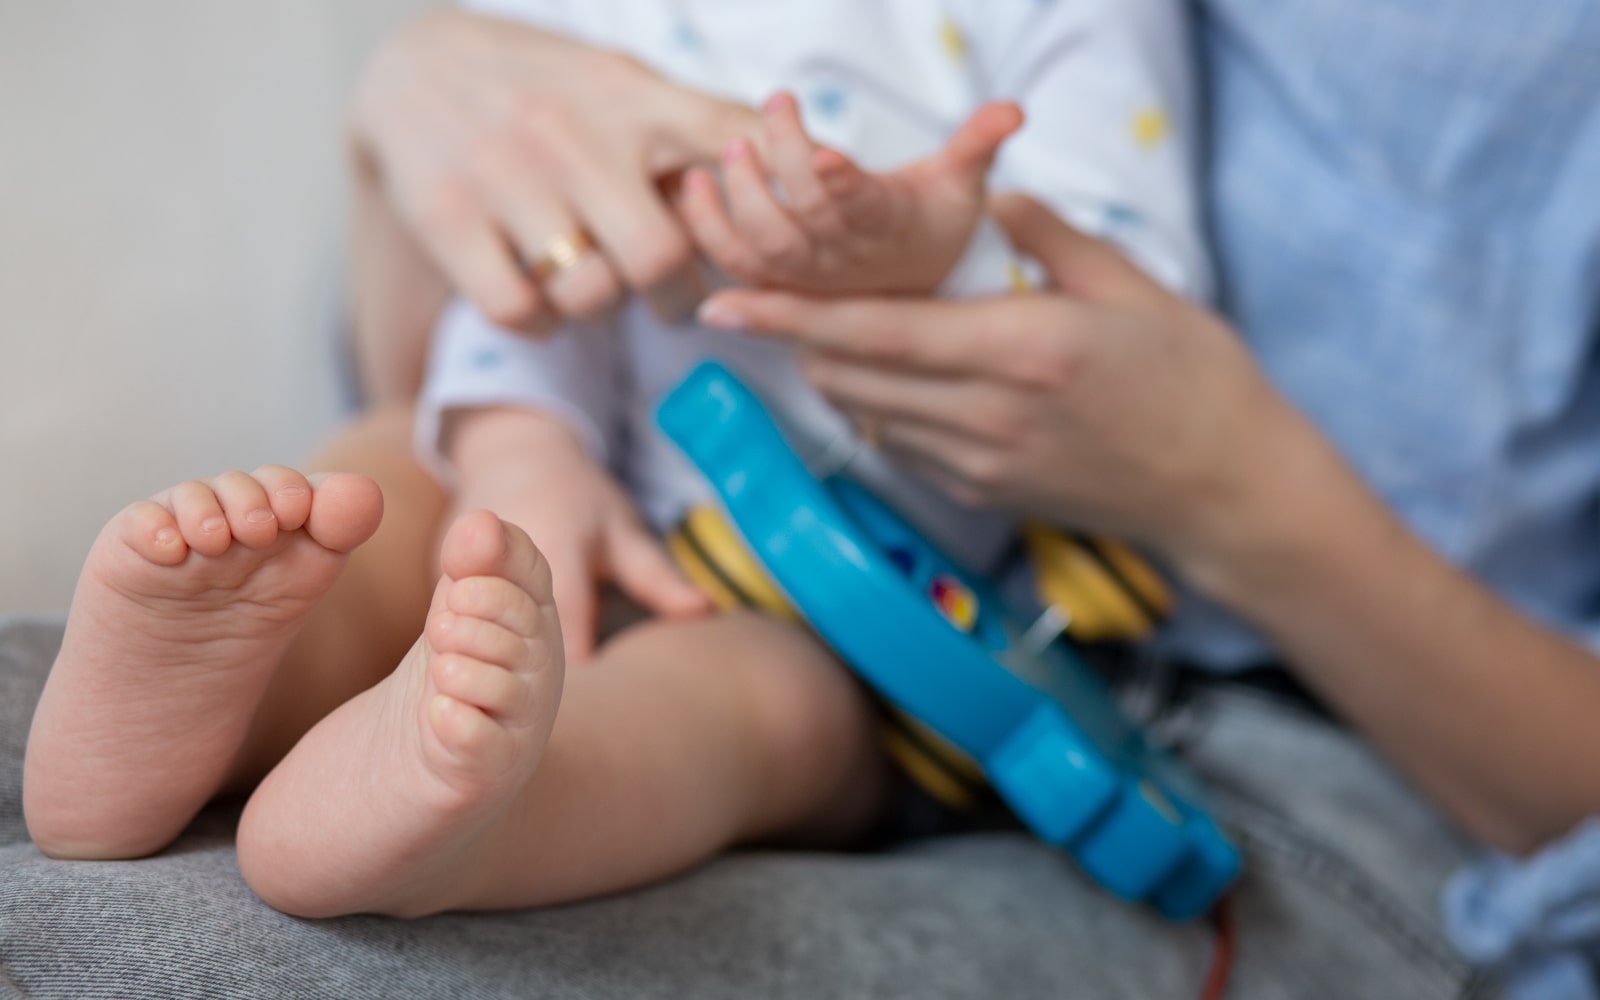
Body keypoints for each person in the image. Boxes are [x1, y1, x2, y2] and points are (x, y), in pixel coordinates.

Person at [22, 0, 1210, 924]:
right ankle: (227, 695)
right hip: (549, 423)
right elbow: (506, 231)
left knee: (750, 716)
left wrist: (930, 254)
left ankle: (475, 804)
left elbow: (1138, 311)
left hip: (852, 587)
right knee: (381, 488)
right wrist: (519, 441)